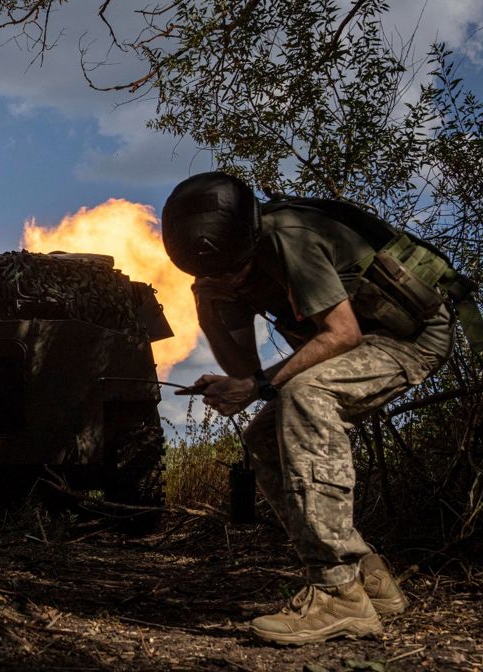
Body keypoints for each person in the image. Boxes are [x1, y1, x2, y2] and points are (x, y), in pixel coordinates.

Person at [161, 171, 453, 646]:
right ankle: (368, 578)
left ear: (249, 239)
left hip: (408, 337)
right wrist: (212, 308)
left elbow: (343, 335)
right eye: (211, 274)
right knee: (261, 433)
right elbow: (243, 371)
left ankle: (337, 592)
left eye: (230, 270)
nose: (224, 278)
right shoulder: (216, 275)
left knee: (306, 395)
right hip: (359, 342)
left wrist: (256, 385)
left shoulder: (289, 238)